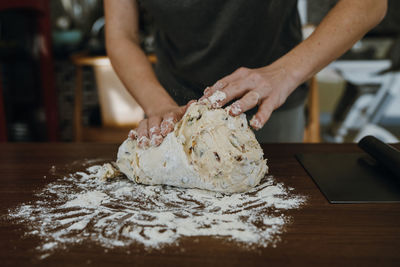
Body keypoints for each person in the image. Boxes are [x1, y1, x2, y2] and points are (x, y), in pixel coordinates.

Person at [104, 0, 387, 147]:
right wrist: (158, 105)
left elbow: (369, 4)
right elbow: (120, 35)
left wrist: (285, 72)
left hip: (269, 105)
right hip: (169, 103)